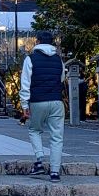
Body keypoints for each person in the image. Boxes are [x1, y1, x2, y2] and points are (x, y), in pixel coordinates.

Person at [19, 31, 65, 180]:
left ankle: (39, 160)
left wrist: (24, 105)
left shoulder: (30, 59)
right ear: (52, 43)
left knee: (34, 130)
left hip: (38, 100)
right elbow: (62, 78)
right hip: (56, 101)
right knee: (57, 137)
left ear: (37, 42)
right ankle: (55, 172)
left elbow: (25, 84)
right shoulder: (59, 60)